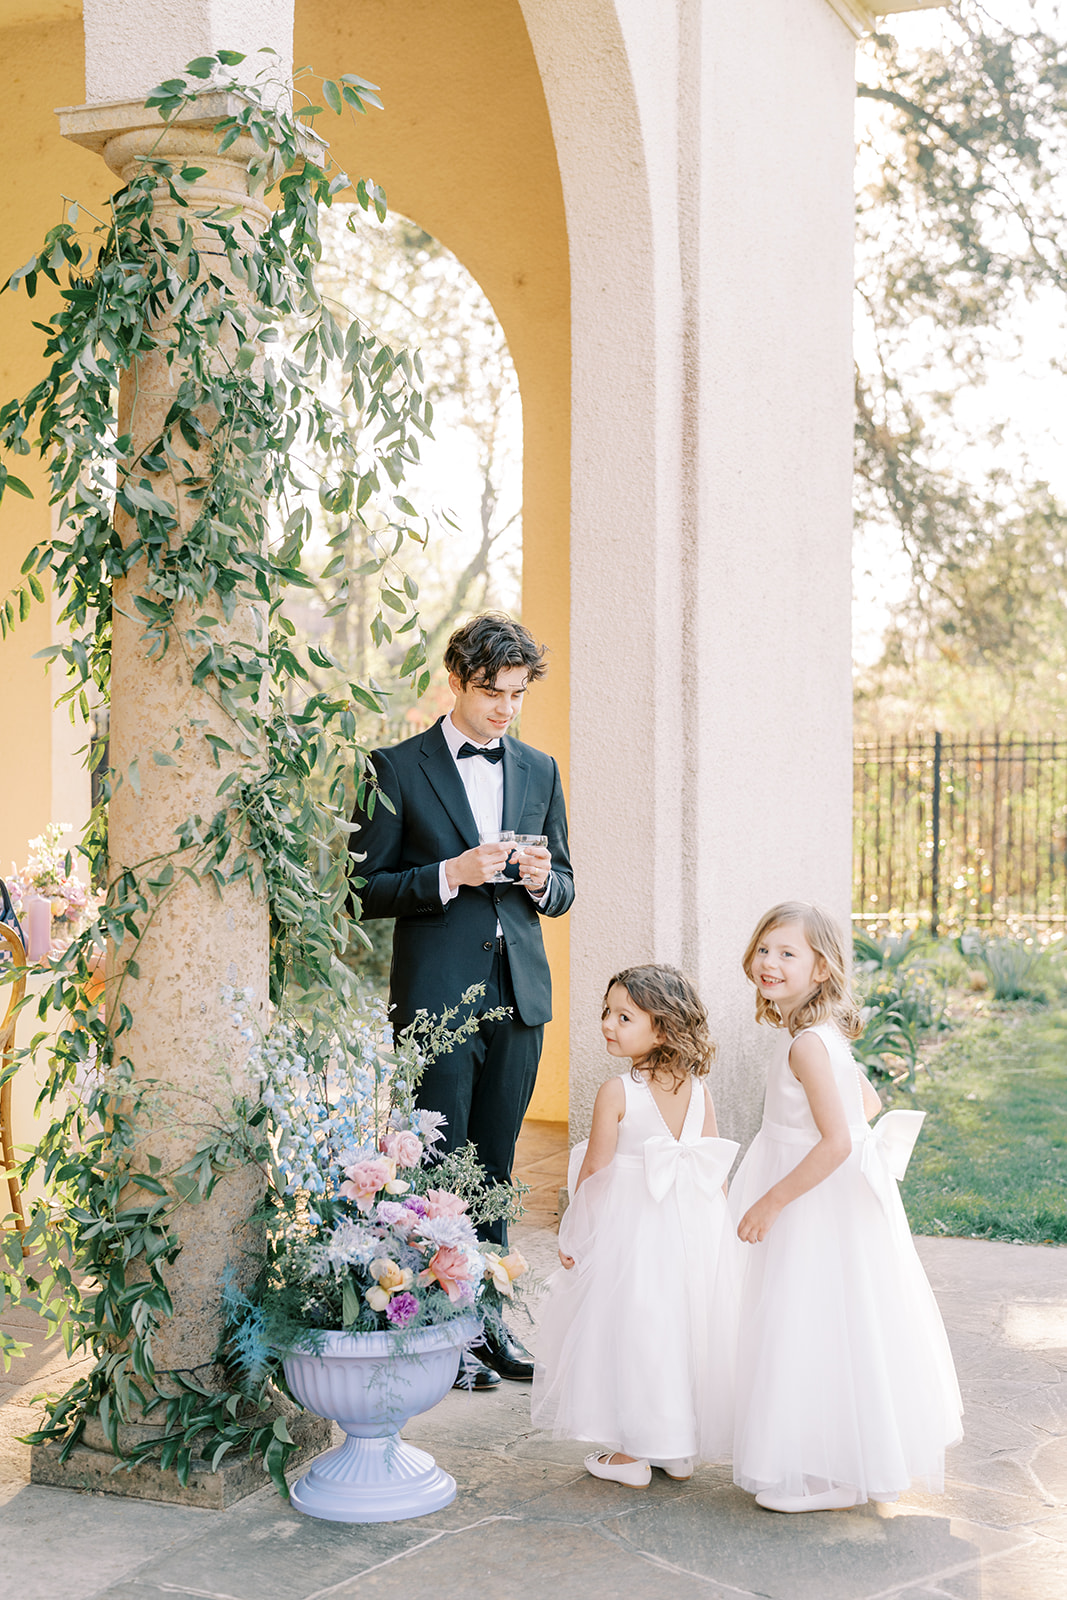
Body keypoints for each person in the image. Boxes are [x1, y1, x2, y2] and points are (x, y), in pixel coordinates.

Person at [353, 613, 574, 1387]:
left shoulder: (540, 769)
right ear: (455, 681)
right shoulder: (394, 767)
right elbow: (362, 891)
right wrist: (452, 873)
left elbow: (566, 885)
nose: (504, 709)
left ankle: (484, 1328)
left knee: (496, 1167)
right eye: (491, 692)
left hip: (519, 999)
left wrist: (545, 882)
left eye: (516, 694)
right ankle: (433, 1333)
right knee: (439, 1170)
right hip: (437, 1004)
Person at [730, 901, 963, 1513]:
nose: (771, 963)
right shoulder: (818, 1036)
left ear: (823, 969)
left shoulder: (807, 1044)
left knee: (808, 1321)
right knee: (829, 1321)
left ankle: (834, 1476)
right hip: (829, 1199)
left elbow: (837, 1139)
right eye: (765, 949)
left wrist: (773, 1199)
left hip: (809, 1201)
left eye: (789, 953)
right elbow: (867, 1101)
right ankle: (836, 1458)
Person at [530, 965, 739, 1486]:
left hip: (634, 1231)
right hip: (692, 1228)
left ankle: (632, 1454)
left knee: (633, 1330)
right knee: (681, 1329)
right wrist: (724, 1232)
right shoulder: (699, 1089)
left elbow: (596, 1174)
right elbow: (714, 1168)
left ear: (663, 1029)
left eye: (625, 1016)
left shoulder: (616, 1091)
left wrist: (574, 1232)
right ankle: (676, 1449)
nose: (608, 1024)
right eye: (607, 1012)